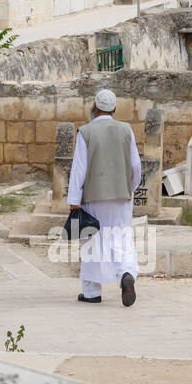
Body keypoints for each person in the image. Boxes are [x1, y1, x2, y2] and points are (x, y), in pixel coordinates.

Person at [67, 89, 140, 306]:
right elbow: (136, 165)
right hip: (121, 196)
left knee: (91, 242)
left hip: (93, 197)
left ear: (94, 107)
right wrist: (130, 188)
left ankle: (91, 292)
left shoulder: (85, 132)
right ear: (114, 109)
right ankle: (126, 273)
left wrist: (74, 199)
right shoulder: (127, 130)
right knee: (121, 237)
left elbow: (79, 168)